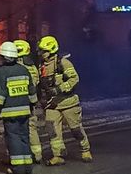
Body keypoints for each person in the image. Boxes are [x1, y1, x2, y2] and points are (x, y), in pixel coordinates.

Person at [37, 36, 92, 165]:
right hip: (52, 104)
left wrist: (59, 89)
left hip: (68, 103)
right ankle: (58, 155)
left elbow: (74, 79)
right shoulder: (42, 66)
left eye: (44, 51)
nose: (41, 54)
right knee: (53, 131)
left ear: (51, 50)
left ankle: (85, 149)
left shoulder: (63, 63)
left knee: (75, 129)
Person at [0, 42, 36, 174]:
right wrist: (33, 104)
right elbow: (32, 90)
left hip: (10, 113)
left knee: (13, 138)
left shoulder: (1, 72)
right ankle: (28, 166)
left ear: (4, 57)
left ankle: (18, 168)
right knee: (24, 137)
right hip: (25, 111)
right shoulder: (24, 70)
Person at [13, 38, 45, 164]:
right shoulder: (32, 66)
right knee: (31, 128)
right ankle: (37, 155)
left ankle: (15, 156)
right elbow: (35, 83)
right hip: (29, 102)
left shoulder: (15, 67)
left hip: (16, 102)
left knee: (15, 130)